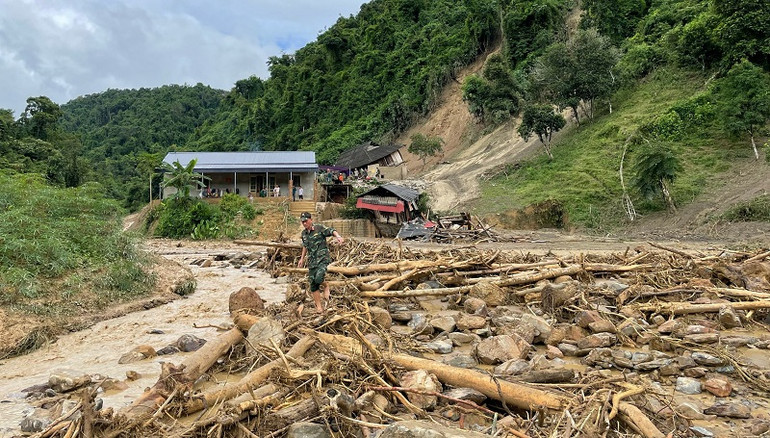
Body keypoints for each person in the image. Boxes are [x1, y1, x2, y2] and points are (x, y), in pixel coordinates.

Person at [297, 212, 343, 313]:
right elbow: (305, 246)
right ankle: (319, 307)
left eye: (306, 221)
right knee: (313, 284)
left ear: (311, 220)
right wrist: (302, 259)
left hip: (323, 259)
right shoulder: (304, 234)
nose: (304, 223)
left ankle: (325, 284)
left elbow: (331, 230)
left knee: (318, 278)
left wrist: (338, 236)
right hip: (312, 261)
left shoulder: (319, 228)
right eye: (302, 222)